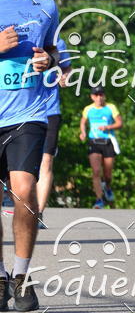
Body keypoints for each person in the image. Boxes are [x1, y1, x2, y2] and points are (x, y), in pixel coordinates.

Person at [0, 0, 59, 313]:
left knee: (24, 190)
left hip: (28, 112)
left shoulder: (45, 5)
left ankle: (21, 278)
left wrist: (48, 60)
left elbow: (58, 53)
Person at [37, 36, 72, 227]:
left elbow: (67, 67)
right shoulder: (20, 35)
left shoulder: (57, 42)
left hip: (50, 111)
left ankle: (38, 214)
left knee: (46, 160)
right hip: (20, 111)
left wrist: (65, 76)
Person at [79, 88, 122, 208]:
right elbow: (83, 122)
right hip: (94, 142)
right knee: (96, 172)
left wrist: (107, 127)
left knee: (107, 175)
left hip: (108, 142)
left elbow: (119, 123)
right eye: (96, 95)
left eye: (101, 95)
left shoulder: (111, 107)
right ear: (92, 97)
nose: (99, 98)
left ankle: (107, 186)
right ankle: (99, 199)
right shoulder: (88, 109)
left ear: (104, 96)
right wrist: (82, 132)